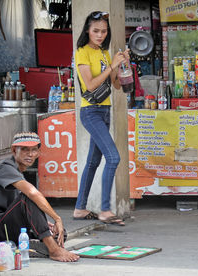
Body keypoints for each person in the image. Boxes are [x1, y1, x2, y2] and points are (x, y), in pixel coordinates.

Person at [0, 132, 79, 262]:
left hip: (9, 225)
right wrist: (57, 218)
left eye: (34, 150)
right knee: (28, 198)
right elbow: (32, 194)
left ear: (39, 152)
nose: (30, 154)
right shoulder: (5, 167)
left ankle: (32, 244)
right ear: (13, 150)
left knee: (59, 232)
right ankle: (53, 250)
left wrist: (44, 223)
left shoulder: (18, 172)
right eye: (24, 149)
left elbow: (21, 209)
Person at [73, 11, 129, 226]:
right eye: (96, 31)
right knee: (113, 158)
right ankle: (105, 209)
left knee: (93, 162)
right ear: (87, 30)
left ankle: (80, 208)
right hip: (91, 112)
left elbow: (115, 85)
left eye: (104, 31)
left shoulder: (105, 54)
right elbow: (90, 85)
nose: (100, 35)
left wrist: (121, 64)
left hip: (105, 111)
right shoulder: (82, 52)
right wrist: (112, 66)